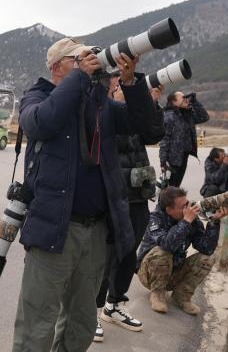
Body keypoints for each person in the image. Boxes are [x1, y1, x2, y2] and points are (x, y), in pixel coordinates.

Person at [12, 37, 159, 352]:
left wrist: (132, 82)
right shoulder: (38, 96)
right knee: (37, 324)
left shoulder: (100, 106)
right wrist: (79, 77)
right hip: (53, 230)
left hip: (95, 234)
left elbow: (148, 128)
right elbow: (40, 122)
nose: (92, 60)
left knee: (82, 324)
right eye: (80, 58)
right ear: (58, 66)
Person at [93, 82, 164, 343]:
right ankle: (92, 312)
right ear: (110, 91)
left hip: (138, 196)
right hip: (115, 198)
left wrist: (153, 104)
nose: (126, 89)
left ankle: (114, 304)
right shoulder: (106, 113)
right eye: (120, 87)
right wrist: (127, 105)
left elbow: (154, 134)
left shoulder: (134, 114)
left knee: (127, 255)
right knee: (106, 258)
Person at [135, 187, 228, 315]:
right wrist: (186, 222)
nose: (188, 209)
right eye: (183, 206)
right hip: (149, 275)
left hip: (174, 272)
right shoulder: (155, 219)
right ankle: (157, 294)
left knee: (207, 259)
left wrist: (214, 222)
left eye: (187, 204)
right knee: (162, 252)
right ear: (169, 210)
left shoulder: (192, 220)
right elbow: (168, 245)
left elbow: (206, 248)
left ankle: (181, 296)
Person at [159, 91, 209, 187]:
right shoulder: (169, 116)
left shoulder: (187, 114)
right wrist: (163, 161)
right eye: (182, 98)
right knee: (168, 189)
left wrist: (195, 101)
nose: (186, 99)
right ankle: (163, 202)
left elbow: (204, 117)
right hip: (172, 160)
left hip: (183, 157)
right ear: (174, 102)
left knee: (175, 187)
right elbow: (164, 140)